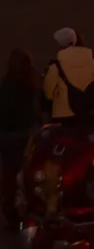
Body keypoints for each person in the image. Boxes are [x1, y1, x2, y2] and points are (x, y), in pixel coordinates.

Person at [0, 50, 39, 228]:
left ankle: (12, 215)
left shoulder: (7, 86)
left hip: (9, 136)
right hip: (29, 135)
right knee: (28, 177)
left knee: (9, 178)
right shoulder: (32, 85)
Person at [43, 27, 94, 121]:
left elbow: (48, 92)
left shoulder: (56, 65)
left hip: (63, 114)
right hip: (86, 113)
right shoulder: (91, 62)